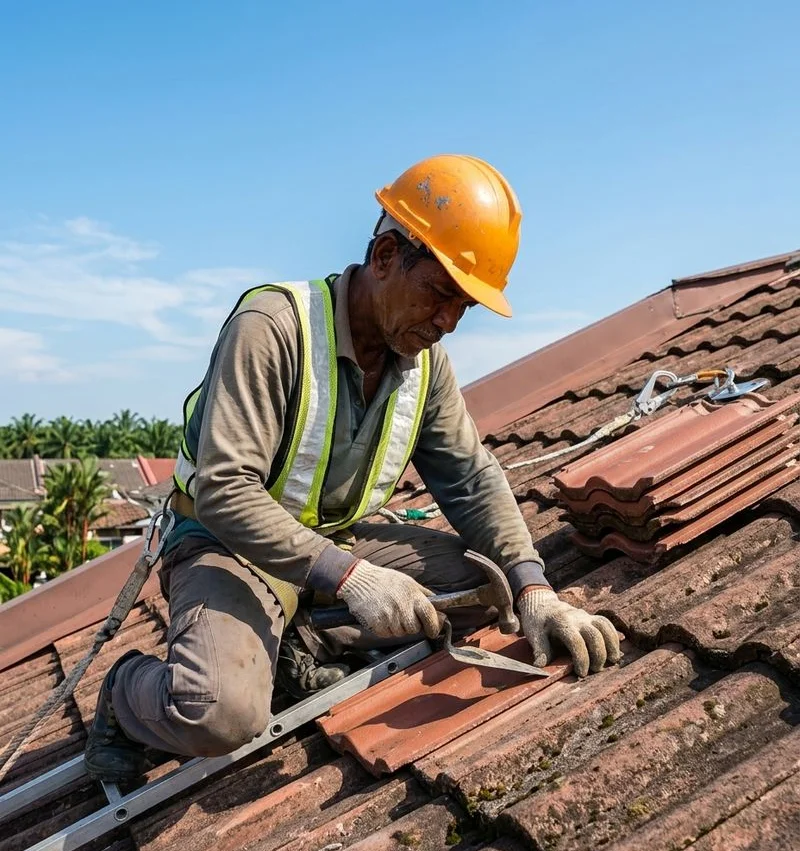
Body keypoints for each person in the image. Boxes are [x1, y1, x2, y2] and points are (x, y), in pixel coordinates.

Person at [84, 155, 620, 781]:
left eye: (463, 307)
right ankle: (125, 697)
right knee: (220, 714)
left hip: (331, 549)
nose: (446, 321)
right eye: (439, 293)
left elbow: (471, 480)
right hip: (228, 545)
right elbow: (225, 491)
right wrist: (355, 579)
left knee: (488, 589)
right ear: (388, 254)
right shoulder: (273, 329)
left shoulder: (423, 361)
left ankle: (296, 643)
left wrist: (535, 590)